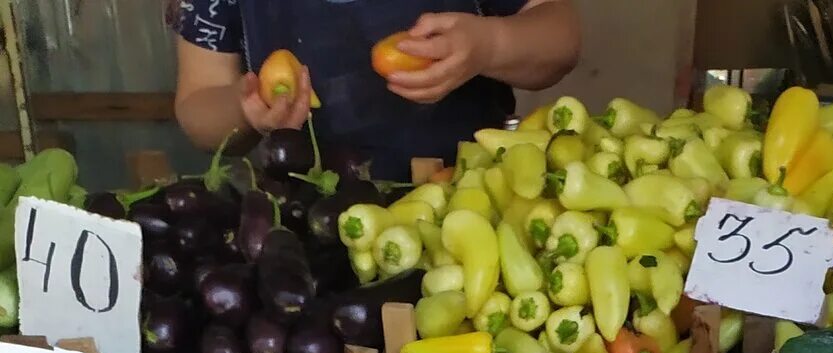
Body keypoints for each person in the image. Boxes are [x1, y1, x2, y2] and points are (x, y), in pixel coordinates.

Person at [169, 0, 581, 179]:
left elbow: (560, 37)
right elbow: (198, 104)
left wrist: (491, 45)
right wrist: (247, 111)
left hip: (465, 205)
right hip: (304, 226)